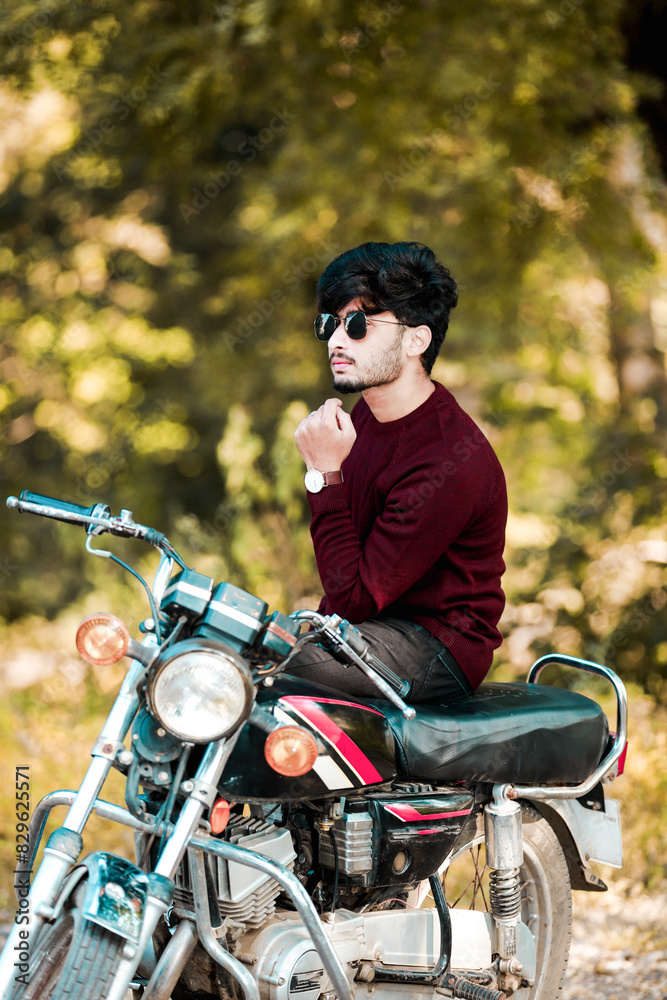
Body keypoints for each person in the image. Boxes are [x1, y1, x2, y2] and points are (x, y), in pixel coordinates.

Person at [290, 241, 507, 704]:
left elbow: (354, 598)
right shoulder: (367, 416)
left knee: (265, 668)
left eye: (358, 324)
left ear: (416, 340)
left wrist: (323, 473)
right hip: (370, 624)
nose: (336, 340)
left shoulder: (447, 460)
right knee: (224, 636)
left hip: (436, 646)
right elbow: (350, 585)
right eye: (331, 323)